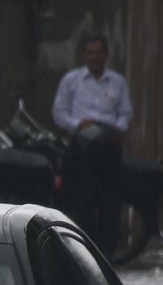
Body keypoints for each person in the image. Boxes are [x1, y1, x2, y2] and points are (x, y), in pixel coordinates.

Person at [51, 34, 133, 255]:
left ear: (106, 55)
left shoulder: (118, 82)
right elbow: (59, 113)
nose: (94, 57)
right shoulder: (71, 80)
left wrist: (116, 128)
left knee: (110, 205)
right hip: (81, 148)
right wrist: (78, 125)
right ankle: (85, 255)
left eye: (98, 53)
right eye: (90, 53)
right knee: (83, 203)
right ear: (84, 56)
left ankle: (106, 256)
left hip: (108, 147)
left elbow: (126, 114)